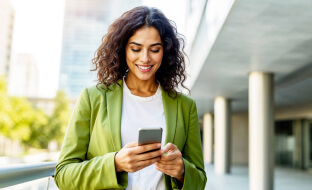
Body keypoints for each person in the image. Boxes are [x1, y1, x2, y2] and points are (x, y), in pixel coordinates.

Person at [54, 6, 206, 190]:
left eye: (155, 50)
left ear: (165, 52)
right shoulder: (93, 97)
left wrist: (181, 171)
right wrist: (115, 164)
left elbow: (200, 181)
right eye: (136, 48)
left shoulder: (185, 106)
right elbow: (63, 175)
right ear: (122, 49)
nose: (145, 58)